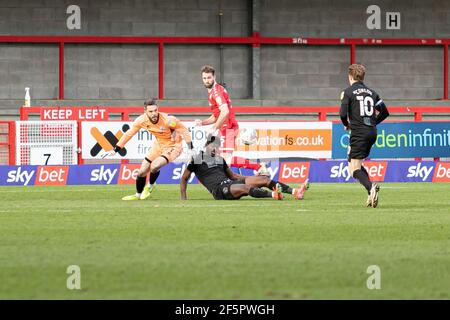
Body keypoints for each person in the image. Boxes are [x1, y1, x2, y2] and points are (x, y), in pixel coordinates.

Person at [106, 98, 194, 200]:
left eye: (155, 110)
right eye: (150, 111)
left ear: (158, 109)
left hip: (173, 146)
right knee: (141, 172)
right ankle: (137, 195)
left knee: (154, 166)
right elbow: (128, 134)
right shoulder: (141, 120)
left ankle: (150, 187)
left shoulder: (169, 120)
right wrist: (116, 149)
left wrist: (191, 148)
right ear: (145, 111)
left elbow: (184, 131)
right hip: (158, 145)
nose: (154, 114)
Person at [180, 135, 309, 201]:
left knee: (263, 179)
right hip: (219, 190)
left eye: (217, 146)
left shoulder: (220, 159)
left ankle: (295, 192)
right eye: (212, 145)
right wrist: (183, 197)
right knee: (246, 188)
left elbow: (234, 176)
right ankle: (274, 195)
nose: (215, 148)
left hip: (231, 182)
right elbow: (184, 178)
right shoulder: (197, 158)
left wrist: (253, 178)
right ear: (206, 145)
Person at [195, 65, 269, 176]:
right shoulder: (213, 92)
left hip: (227, 127)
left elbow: (225, 112)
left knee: (225, 160)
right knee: (215, 156)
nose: (207, 80)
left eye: (209, 77)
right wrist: (202, 122)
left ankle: (258, 167)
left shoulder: (216, 92)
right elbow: (217, 115)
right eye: (204, 78)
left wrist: (214, 129)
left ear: (214, 76)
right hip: (224, 127)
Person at [340, 64, 389, 208]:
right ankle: (370, 194)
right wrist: (372, 123)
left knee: (354, 169)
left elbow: (343, 114)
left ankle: (371, 187)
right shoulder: (372, 92)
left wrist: (347, 124)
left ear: (350, 77)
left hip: (358, 132)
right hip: (371, 132)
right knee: (354, 165)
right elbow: (385, 112)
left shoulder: (348, 92)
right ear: (363, 77)